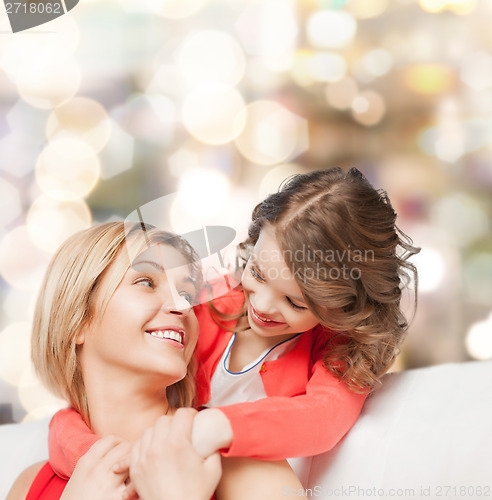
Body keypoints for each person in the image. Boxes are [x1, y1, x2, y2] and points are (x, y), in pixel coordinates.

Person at [48, 167, 420, 486]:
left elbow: (323, 418)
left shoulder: (338, 353)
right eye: (257, 272)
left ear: (343, 305)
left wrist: (215, 427)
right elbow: (75, 414)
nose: (261, 305)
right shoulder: (207, 304)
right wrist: (102, 464)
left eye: (295, 302)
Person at [6, 222, 302, 500]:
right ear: (78, 320)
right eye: (146, 282)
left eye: (187, 292)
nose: (184, 306)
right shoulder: (29, 485)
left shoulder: (242, 461)